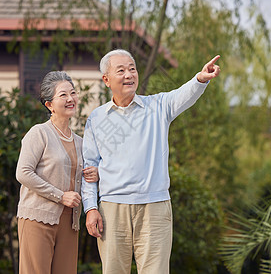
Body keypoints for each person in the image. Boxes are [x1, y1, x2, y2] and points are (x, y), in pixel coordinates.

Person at [81, 49, 220, 274]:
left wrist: (200, 79)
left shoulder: (158, 107)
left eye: (132, 69)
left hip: (154, 207)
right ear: (106, 80)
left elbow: (182, 94)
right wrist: (90, 208)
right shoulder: (96, 119)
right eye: (121, 70)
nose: (129, 74)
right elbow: (89, 169)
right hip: (112, 208)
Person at [16, 71, 99, 274]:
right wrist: (60, 196)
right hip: (37, 218)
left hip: (70, 223)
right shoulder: (39, 133)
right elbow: (23, 173)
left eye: (73, 93)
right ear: (49, 105)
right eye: (63, 95)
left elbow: (80, 177)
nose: (70, 99)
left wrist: (95, 174)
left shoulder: (81, 142)